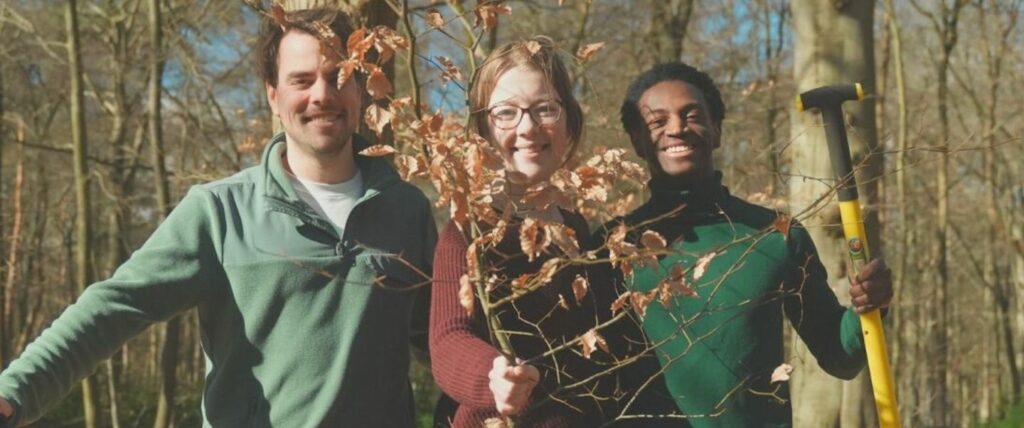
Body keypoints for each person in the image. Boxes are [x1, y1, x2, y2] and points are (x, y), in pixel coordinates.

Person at [0, 8, 436, 427]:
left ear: (359, 89)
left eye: (337, 76)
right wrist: (12, 393)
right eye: (301, 80)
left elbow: (443, 340)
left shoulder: (407, 211)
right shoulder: (221, 212)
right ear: (273, 97)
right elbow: (116, 305)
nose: (322, 94)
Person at [603, 62, 894, 426]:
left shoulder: (775, 235)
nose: (676, 128)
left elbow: (839, 356)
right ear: (637, 141)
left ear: (717, 129)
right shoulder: (610, 247)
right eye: (658, 121)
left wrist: (868, 309)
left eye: (691, 115)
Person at [429, 37, 615, 427]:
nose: (528, 127)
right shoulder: (466, 231)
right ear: (483, 127)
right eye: (506, 113)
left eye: (545, 108)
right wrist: (493, 376)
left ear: (569, 121)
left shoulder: (581, 234)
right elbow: (448, 339)